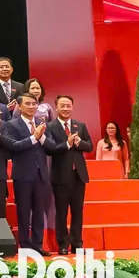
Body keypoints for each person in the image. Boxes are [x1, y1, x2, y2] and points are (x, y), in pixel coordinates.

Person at [0, 93, 51, 254]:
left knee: (39, 211)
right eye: (28, 104)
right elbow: (14, 146)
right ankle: (25, 244)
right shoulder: (11, 125)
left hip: (41, 174)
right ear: (19, 106)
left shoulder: (41, 123)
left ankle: (38, 244)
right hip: (22, 174)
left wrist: (41, 138)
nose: (31, 107)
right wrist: (34, 138)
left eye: (34, 104)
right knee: (23, 211)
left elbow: (51, 147)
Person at [46, 94, 91, 254]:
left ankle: (77, 243)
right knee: (61, 212)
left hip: (78, 175)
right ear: (56, 107)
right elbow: (50, 148)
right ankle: (63, 244)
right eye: (62, 106)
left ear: (72, 107)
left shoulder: (80, 125)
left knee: (77, 212)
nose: (65, 109)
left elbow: (89, 146)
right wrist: (67, 144)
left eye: (68, 106)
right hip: (60, 176)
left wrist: (79, 143)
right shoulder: (50, 127)